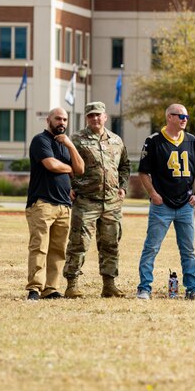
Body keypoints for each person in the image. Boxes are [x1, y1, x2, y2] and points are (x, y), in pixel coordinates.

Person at [137, 103, 195, 300]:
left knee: (188, 250)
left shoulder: (192, 141)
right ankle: (144, 288)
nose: (184, 119)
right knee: (151, 248)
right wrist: (153, 194)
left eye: (186, 116)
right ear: (169, 117)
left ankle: (192, 289)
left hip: (185, 205)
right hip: (162, 206)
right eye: (180, 116)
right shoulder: (153, 141)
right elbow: (143, 172)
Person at [63, 102, 131, 298]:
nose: (95, 118)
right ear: (86, 118)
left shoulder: (116, 140)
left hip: (111, 203)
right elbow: (65, 164)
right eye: (91, 115)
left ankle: (109, 285)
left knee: (111, 244)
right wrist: (69, 187)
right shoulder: (76, 139)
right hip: (86, 201)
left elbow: (125, 166)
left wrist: (122, 187)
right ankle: (72, 285)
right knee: (78, 243)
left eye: (98, 115)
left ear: (105, 117)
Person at [26, 108, 84, 300]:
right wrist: (70, 169)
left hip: (64, 205)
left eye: (65, 119)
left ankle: (51, 288)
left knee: (58, 250)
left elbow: (81, 168)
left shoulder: (64, 144)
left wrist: (70, 145)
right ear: (48, 120)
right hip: (42, 203)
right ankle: (35, 288)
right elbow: (51, 165)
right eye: (58, 118)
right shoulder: (40, 140)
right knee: (39, 247)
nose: (62, 122)